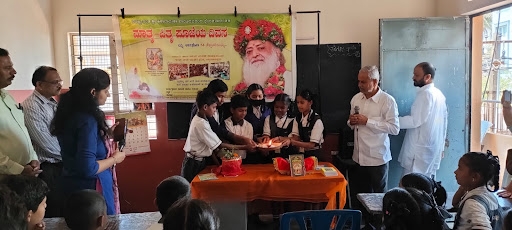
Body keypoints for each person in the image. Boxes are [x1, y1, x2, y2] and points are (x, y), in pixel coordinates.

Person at [51, 68, 126, 215]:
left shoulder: (70, 113)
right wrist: (114, 159)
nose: (108, 94)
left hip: (72, 184)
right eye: (105, 91)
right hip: (92, 190)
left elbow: (77, 144)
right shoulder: (87, 120)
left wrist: (106, 134)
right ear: (93, 92)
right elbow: (88, 167)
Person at [347, 65, 399, 213]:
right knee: (361, 197)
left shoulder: (387, 101)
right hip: (358, 157)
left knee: (379, 200)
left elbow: (394, 128)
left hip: (377, 158)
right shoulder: (356, 98)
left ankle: (379, 225)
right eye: (358, 81)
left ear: (375, 82)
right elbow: (351, 124)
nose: (359, 85)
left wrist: (367, 121)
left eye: (363, 82)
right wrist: (351, 121)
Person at [181, 90, 252, 182]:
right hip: (193, 163)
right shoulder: (201, 124)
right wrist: (245, 147)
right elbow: (219, 145)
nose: (215, 111)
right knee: (193, 190)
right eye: (214, 107)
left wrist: (220, 165)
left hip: (199, 160)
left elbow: (212, 147)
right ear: (205, 107)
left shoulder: (202, 119)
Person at [21, 66, 63, 217]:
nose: (60, 85)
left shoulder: (52, 103)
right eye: (55, 82)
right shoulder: (32, 106)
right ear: (39, 85)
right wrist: (70, 157)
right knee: (53, 211)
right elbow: (46, 143)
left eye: (60, 81)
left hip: (59, 164)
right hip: (47, 168)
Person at [398, 62, 448, 178]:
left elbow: (415, 121)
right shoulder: (439, 94)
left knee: (411, 187)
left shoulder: (426, 94)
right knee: (426, 186)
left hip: (419, 152)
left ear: (427, 77)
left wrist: (392, 121)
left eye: (416, 75)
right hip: (431, 150)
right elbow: (444, 124)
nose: (413, 77)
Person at [0, 48, 40, 176]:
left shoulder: (7, 96)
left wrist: (33, 157)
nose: (14, 72)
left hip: (27, 172)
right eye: (7, 68)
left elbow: (22, 130)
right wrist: (18, 170)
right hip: (6, 180)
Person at [232, 19, 292, 98]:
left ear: (277, 52)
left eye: (261, 48)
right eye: (249, 51)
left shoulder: (289, 79)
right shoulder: (241, 89)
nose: (254, 54)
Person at [190, 79, 255, 150]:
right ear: (211, 95)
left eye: (224, 97)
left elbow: (219, 130)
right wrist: (242, 143)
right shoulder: (201, 111)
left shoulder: (219, 108)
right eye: (220, 96)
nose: (223, 100)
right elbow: (215, 129)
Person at [452, 151, 501, 229]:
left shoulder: (473, 204)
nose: (455, 172)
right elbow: (455, 203)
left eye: (460, 168)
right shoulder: (486, 194)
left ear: (475, 176)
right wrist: (463, 186)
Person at [283, 89, 325, 161]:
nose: (299, 105)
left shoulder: (317, 121)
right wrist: (283, 140)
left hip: (314, 155)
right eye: (298, 102)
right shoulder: (298, 118)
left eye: (302, 102)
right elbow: (296, 137)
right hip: (301, 153)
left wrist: (293, 142)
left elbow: (312, 145)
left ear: (310, 103)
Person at [261, 93, 295, 159]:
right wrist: (265, 140)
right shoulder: (269, 119)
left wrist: (285, 140)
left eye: (282, 108)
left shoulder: (293, 120)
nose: (279, 110)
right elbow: (266, 134)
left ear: (288, 107)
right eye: (276, 107)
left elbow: (293, 138)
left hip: (288, 154)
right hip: (271, 154)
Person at [223, 95, 253, 161]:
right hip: (227, 159)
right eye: (240, 111)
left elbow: (249, 145)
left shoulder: (248, 125)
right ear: (232, 110)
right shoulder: (225, 124)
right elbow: (228, 143)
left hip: (243, 159)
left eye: (245, 110)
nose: (243, 113)